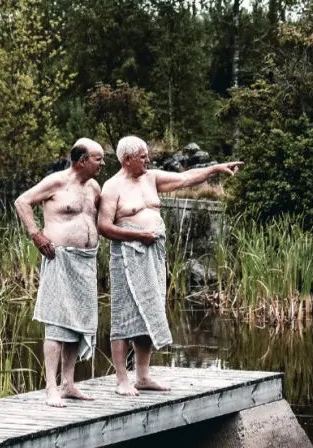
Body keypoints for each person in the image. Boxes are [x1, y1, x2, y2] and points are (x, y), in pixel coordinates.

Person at [98, 135, 242, 396]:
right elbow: (104, 226)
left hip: (153, 254)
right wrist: (138, 236)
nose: (148, 160)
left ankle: (142, 376)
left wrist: (215, 168)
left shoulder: (151, 178)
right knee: (123, 316)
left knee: (149, 312)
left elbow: (186, 178)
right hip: (127, 257)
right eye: (143, 157)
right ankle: (122, 379)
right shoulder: (112, 187)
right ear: (127, 159)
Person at [14, 138, 107, 407]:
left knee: (78, 324)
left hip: (86, 261)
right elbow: (23, 202)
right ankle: (51, 387)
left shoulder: (93, 186)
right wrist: (36, 234)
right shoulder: (56, 182)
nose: (102, 163)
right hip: (60, 258)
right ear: (81, 161)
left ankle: (68, 383)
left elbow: (97, 217)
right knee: (57, 322)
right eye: (98, 158)